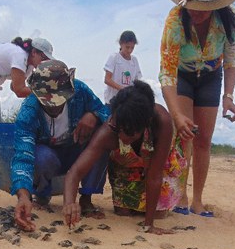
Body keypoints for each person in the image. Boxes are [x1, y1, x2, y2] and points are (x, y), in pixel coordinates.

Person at [160, 0, 235, 217]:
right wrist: (176, 115)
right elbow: (167, 73)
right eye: (192, 7)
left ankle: (198, 200)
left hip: (210, 76)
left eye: (202, 9)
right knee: (186, 134)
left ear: (216, 6)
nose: (195, 13)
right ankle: (181, 196)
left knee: (204, 139)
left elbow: (231, 61)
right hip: (182, 76)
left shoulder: (229, 22)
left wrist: (228, 96)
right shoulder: (175, 21)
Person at [63, 80, 184, 234]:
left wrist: (149, 224)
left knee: (159, 213)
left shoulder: (162, 122)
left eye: (128, 132)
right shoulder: (110, 130)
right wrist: (69, 203)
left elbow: (155, 175)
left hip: (159, 164)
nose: (121, 136)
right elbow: (75, 172)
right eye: (117, 129)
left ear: (145, 125)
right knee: (123, 211)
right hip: (128, 164)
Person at [10, 59, 109, 232]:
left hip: (77, 148)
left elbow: (106, 112)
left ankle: (86, 198)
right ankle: (41, 194)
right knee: (42, 157)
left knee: (103, 136)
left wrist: (93, 115)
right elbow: (22, 156)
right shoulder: (28, 113)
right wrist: (23, 195)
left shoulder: (80, 90)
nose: (55, 107)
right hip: (48, 154)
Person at [0, 36, 52, 121]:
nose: (44, 62)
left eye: (47, 60)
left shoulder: (29, 65)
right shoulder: (20, 56)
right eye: (43, 58)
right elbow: (19, 90)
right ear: (34, 52)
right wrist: (46, 92)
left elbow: (13, 86)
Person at [103, 30, 142, 106]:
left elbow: (136, 81)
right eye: (127, 47)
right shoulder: (114, 57)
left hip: (127, 102)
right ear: (121, 44)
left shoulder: (134, 60)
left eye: (132, 48)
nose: (129, 50)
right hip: (112, 101)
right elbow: (107, 79)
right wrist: (123, 89)